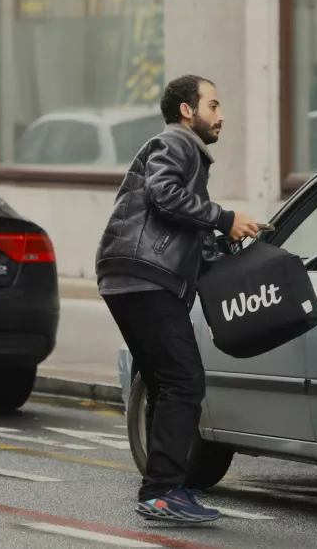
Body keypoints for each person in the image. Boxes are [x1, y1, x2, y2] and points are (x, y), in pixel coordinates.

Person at [95, 75, 260, 523]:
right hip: (145, 277)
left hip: (131, 276)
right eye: (213, 105)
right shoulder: (177, 143)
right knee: (185, 381)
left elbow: (187, 227)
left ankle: (160, 490)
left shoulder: (185, 153)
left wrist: (226, 240)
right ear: (188, 111)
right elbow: (163, 195)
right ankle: (162, 492)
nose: (221, 115)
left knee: (167, 384)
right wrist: (225, 217)